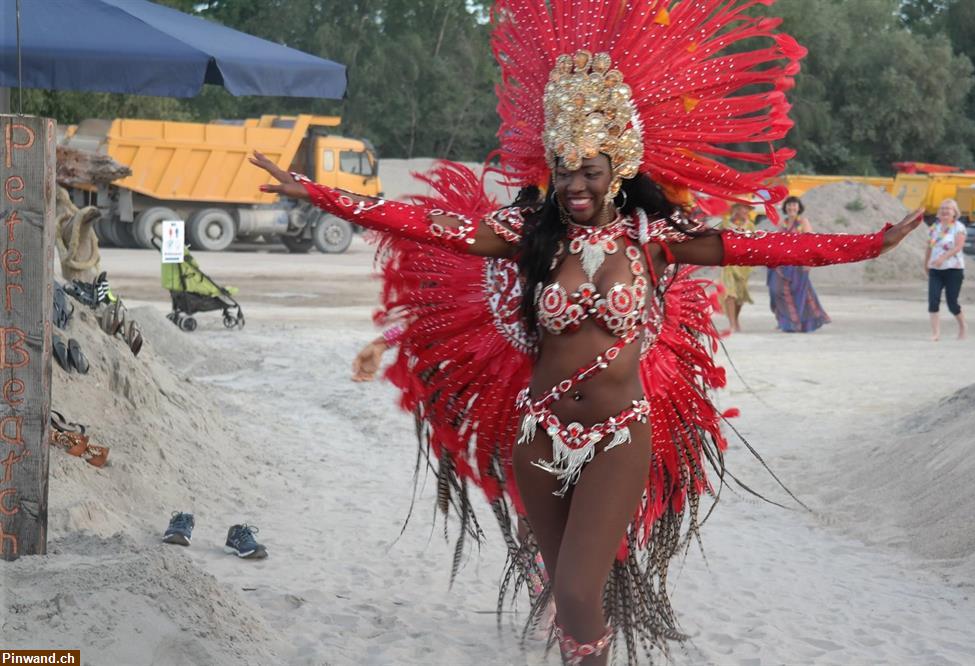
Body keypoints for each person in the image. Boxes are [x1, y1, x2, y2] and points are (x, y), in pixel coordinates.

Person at [251, 3, 924, 663]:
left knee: (575, 590)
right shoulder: (526, 233)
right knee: (568, 603)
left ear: (620, 167)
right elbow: (425, 224)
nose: (574, 184)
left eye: (590, 171)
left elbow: (769, 250)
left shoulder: (657, 238)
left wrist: (868, 243)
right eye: (564, 169)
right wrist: (318, 193)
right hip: (538, 431)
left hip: (620, 434)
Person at [766, 196, 831, 332]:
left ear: (799, 207)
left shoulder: (803, 222)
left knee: (799, 293)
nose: (791, 208)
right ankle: (784, 320)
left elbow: (811, 241)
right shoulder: (782, 223)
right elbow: (777, 242)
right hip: (783, 264)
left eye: (794, 205)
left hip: (799, 263)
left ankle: (794, 324)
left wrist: (809, 261)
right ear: (785, 208)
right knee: (776, 291)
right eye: (789, 205)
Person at [925, 198, 968, 340]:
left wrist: (943, 258)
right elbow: (929, 247)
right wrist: (926, 263)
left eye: (948, 209)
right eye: (942, 208)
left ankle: (962, 326)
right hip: (935, 270)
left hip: (953, 270)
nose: (944, 211)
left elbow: (958, 246)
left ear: (954, 212)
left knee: (952, 303)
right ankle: (935, 333)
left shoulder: (959, 227)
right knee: (933, 300)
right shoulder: (933, 228)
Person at [720, 203, 757, 332]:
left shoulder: (750, 225)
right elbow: (719, 240)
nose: (746, 210)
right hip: (729, 263)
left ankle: (735, 319)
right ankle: (731, 324)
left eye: (748, 208)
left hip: (744, 265)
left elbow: (754, 244)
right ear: (736, 208)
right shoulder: (725, 224)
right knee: (730, 293)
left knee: (740, 295)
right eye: (744, 207)